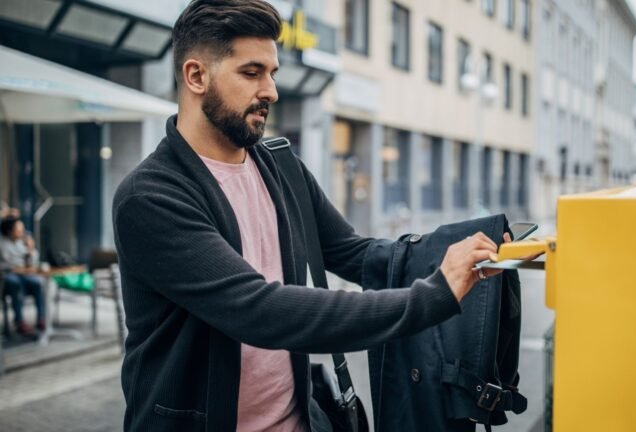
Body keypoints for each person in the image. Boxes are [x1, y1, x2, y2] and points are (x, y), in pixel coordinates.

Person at [112, 1, 510, 430]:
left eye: (272, 73)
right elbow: (261, 310)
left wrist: (464, 251)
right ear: (196, 76)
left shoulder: (280, 166)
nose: (270, 91)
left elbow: (354, 253)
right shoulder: (150, 197)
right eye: (251, 72)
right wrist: (433, 295)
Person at [0, 217, 46, 335]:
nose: (22, 231)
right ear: (10, 230)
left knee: (37, 283)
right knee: (15, 283)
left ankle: (41, 319)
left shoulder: (21, 243)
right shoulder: (2, 244)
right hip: (7, 276)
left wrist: (31, 249)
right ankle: (19, 321)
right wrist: (17, 267)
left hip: (23, 275)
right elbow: (7, 263)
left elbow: (32, 262)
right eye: (18, 229)